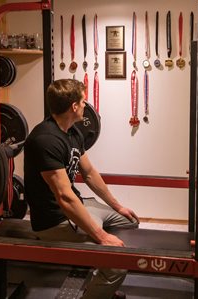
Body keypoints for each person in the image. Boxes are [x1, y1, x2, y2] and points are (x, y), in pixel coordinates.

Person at [24, 79, 139, 298]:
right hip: (55, 220)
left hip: (79, 206)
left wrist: (118, 206)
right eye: (83, 101)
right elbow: (65, 198)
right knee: (117, 263)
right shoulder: (45, 140)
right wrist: (102, 237)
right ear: (74, 107)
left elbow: (89, 173)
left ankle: (99, 282)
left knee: (130, 221)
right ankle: (101, 282)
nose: (87, 105)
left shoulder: (73, 132)